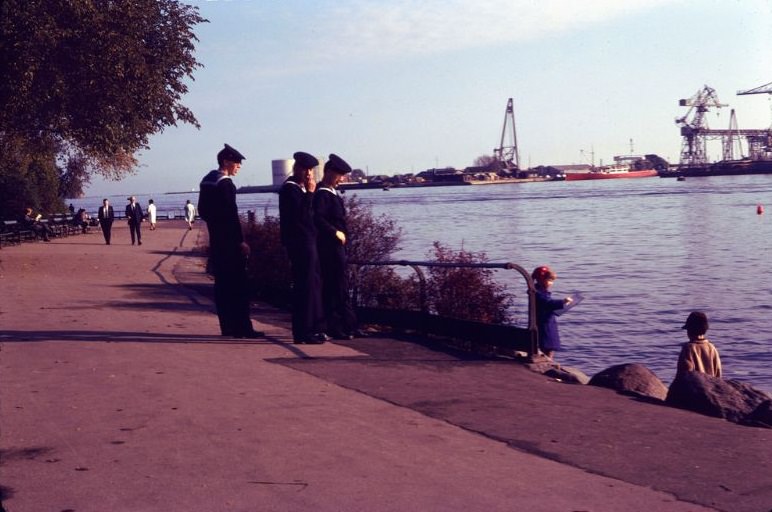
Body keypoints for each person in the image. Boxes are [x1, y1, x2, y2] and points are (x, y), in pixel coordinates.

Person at [198, 143, 264, 339]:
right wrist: (240, 241)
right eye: (236, 162)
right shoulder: (225, 184)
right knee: (239, 286)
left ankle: (227, 326)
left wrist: (216, 229)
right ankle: (243, 327)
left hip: (217, 241)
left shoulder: (206, 181)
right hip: (230, 244)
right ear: (226, 162)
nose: (239, 166)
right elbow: (231, 215)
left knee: (222, 286)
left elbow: (203, 211)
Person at [279, 151, 329, 344]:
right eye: (306, 169)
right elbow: (301, 216)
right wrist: (309, 194)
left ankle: (314, 327)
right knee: (305, 286)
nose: (309, 173)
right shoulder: (290, 189)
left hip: (308, 241)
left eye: (311, 170)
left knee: (314, 284)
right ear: (297, 168)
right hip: (300, 243)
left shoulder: (298, 189)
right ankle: (303, 331)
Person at [313, 154, 360, 340]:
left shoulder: (331, 193)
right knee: (334, 286)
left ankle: (349, 324)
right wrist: (335, 232)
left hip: (337, 247)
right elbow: (317, 218)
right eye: (339, 175)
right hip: (329, 247)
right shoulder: (322, 194)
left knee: (341, 285)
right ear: (330, 172)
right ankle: (336, 326)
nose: (342, 179)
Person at [532, 265, 573, 360]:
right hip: (544, 323)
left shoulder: (539, 291)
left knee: (548, 347)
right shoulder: (538, 293)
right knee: (548, 347)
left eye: (552, 281)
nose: (551, 283)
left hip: (546, 321)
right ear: (541, 280)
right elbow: (547, 303)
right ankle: (549, 363)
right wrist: (563, 302)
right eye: (549, 280)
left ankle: (549, 361)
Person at [676, 311, 722, 379]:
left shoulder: (688, 348)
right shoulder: (712, 348)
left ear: (689, 330)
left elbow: (683, 375)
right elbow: (718, 374)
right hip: (711, 388)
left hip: (695, 388)